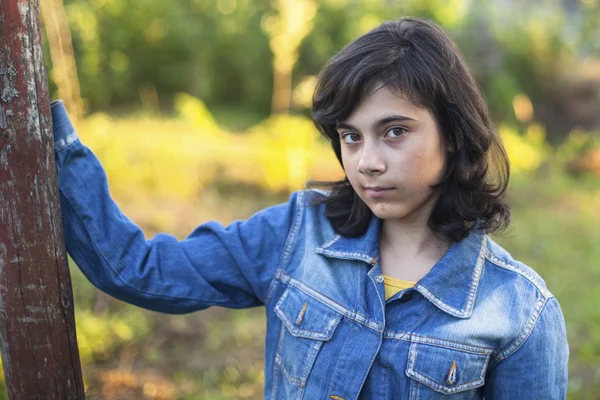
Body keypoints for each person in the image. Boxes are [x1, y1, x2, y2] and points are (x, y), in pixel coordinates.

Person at [51, 16, 568, 399]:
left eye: (395, 132)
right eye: (350, 136)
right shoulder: (298, 233)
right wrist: (48, 143)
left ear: (453, 135)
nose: (366, 162)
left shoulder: (519, 315)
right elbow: (139, 271)